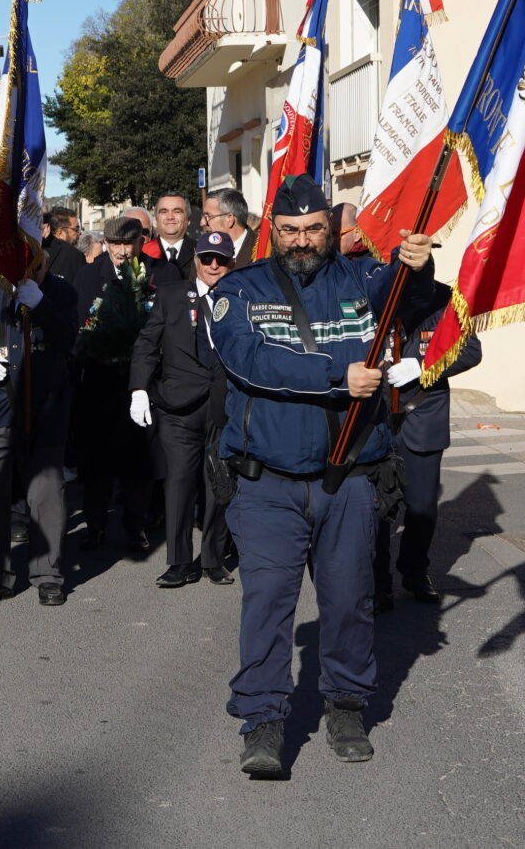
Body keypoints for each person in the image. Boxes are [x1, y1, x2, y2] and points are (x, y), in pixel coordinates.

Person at [206, 173, 437, 778]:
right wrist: (338, 372)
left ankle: (346, 705)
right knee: (267, 606)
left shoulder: (362, 280)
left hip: (351, 480)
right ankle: (262, 721)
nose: (303, 240)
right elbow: (249, 360)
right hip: (267, 484)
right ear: (271, 230)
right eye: (290, 230)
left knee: (349, 603)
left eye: (314, 229)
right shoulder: (240, 289)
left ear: (331, 229)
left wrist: (418, 267)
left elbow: (415, 304)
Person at [0, 265, 80, 607]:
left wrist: (41, 304)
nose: (26, 268)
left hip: (45, 403)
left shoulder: (61, 291)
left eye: (33, 262)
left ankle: (48, 574)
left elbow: (69, 339)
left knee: (46, 490)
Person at [129, 229, 237, 588]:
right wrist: (138, 390)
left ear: (231, 263)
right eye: (207, 258)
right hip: (178, 406)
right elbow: (147, 343)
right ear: (196, 261)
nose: (214, 265)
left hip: (224, 405)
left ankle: (212, 558)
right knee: (179, 483)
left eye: (221, 260)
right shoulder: (173, 295)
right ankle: (178, 561)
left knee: (218, 482)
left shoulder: (241, 298)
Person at [372, 303, 482, 611]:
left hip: (422, 420)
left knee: (422, 510)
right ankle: (378, 583)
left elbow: (470, 351)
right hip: (377, 421)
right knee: (378, 509)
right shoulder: (373, 300)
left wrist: (422, 365)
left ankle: (414, 571)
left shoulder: (446, 307)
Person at [71, 215, 156, 552]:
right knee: (96, 463)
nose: (122, 251)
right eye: (116, 244)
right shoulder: (88, 276)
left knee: (138, 461)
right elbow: (81, 327)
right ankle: (95, 526)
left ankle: (136, 527)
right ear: (105, 244)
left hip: (140, 383)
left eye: (129, 243)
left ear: (140, 243)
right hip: (98, 381)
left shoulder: (155, 274)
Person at [144, 193, 193, 285]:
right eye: (164, 212)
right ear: (156, 219)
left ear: (188, 219)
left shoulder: (201, 252)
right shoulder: (142, 253)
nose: (170, 217)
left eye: (177, 211)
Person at [200, 188, 256, 266]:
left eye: (208, 216)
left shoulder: (262, 251)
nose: (202, 223)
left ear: (229, 219)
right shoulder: (201, 252)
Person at [43, 207, 84, 284]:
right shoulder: (75, 256)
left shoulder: (37, 247)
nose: (80, 233)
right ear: (60, 232)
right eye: (76, 229)